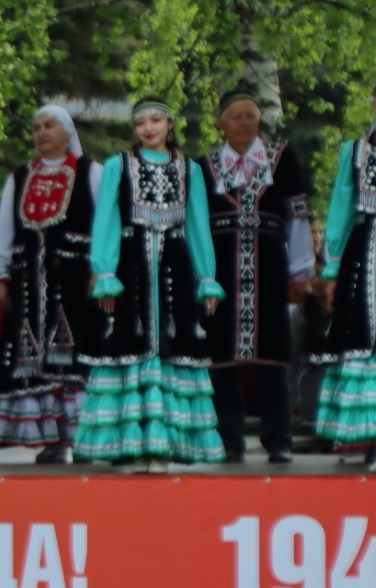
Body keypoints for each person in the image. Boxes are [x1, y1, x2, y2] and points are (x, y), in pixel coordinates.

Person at [76, 99, 225, 473]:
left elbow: (197, 225)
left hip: (174, 267)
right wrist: (104, 272)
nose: (148, 127)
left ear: (170, 124)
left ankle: (165, 445)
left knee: (175, 345)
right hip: (131, 265)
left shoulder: (189, 169)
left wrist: (206, 278)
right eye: (140, 122)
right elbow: (106, 220)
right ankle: (131, 445)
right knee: (129, 342)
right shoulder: (118, 165)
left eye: (156, 119)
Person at [199, 92, 313, 464]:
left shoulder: (282, 160)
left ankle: (278, 439)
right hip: (220, 271)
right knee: (222, 356)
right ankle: (229, 439)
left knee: (272, 355)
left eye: (251, 116)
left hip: (269, 268)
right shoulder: (204, 166)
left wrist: (300, 271)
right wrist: (200, 276)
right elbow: (195, 226)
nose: (245, 123)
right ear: (221, 123)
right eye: (237, 117)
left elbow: (298, 219)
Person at [0, 105, 102, 461]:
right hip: (29, 286)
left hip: (76, 284)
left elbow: (104, 227)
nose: (41, 132)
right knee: (35, 362)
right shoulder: (20, 177)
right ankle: (54, 442)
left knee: (77, 360)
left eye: (49, 125)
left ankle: (84, 440)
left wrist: (101, 271)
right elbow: (5, 231)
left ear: (67, 132)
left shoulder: (90, 172)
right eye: (36, 127)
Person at [313, 83, 376, 466]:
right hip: (365, 250)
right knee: (365, 336)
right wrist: (333, 263)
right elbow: (340, 206)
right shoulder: (356, 151)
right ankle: (368, 435)